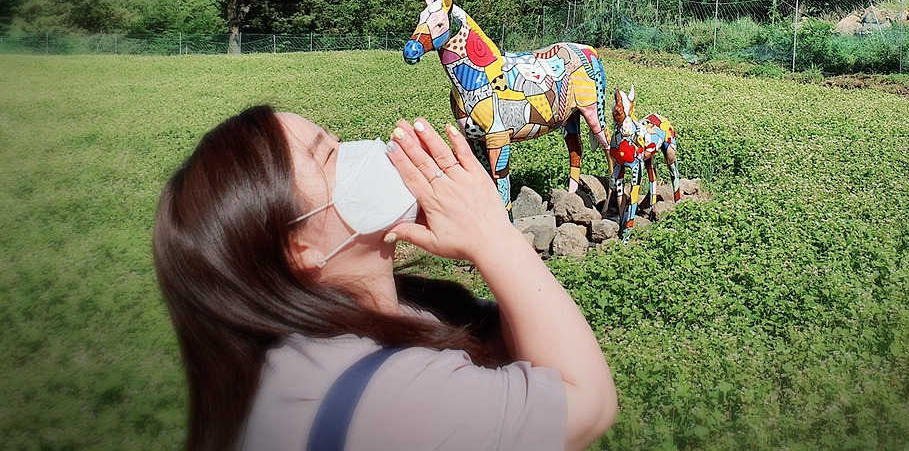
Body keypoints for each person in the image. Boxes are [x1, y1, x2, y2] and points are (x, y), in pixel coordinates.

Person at [153, 105, 617, 451]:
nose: (365, 152)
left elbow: (521, 347)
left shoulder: (383, 313)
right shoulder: (391, 400)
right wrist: (493, 236)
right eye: (330, 157)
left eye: (339, 143)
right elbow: (588, 403)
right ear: (299, 250)